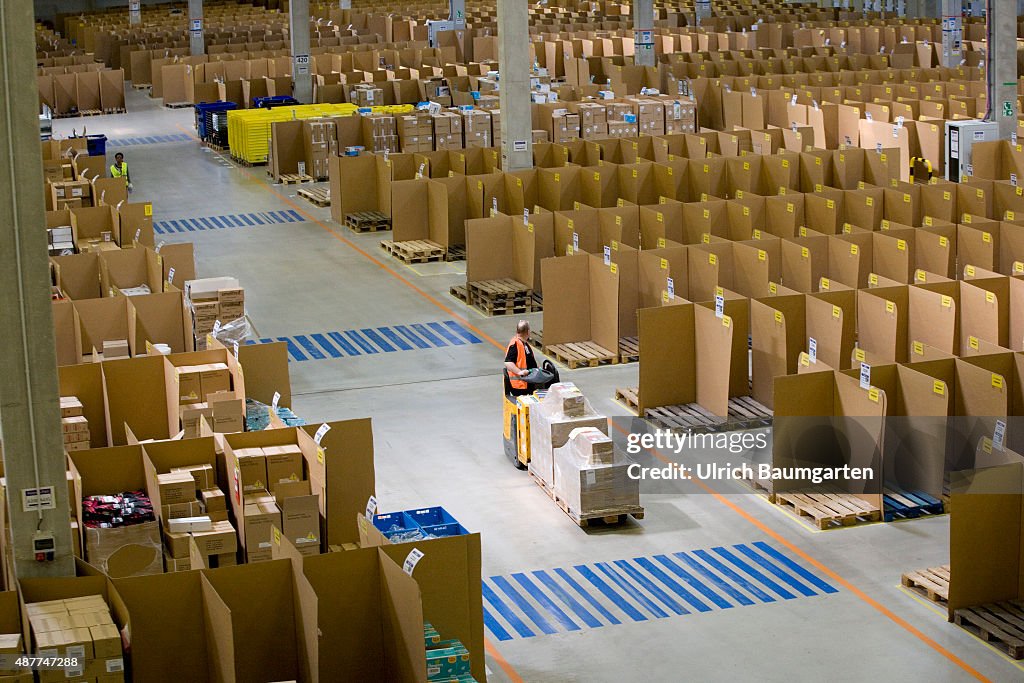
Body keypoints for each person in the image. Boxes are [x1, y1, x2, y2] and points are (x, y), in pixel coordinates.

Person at [504, 320, 538, 396]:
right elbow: (508, 362)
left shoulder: (523, 343)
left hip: (527, 380)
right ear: (528, 332)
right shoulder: (515, 344)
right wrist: (520, 372)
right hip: (520, 384)